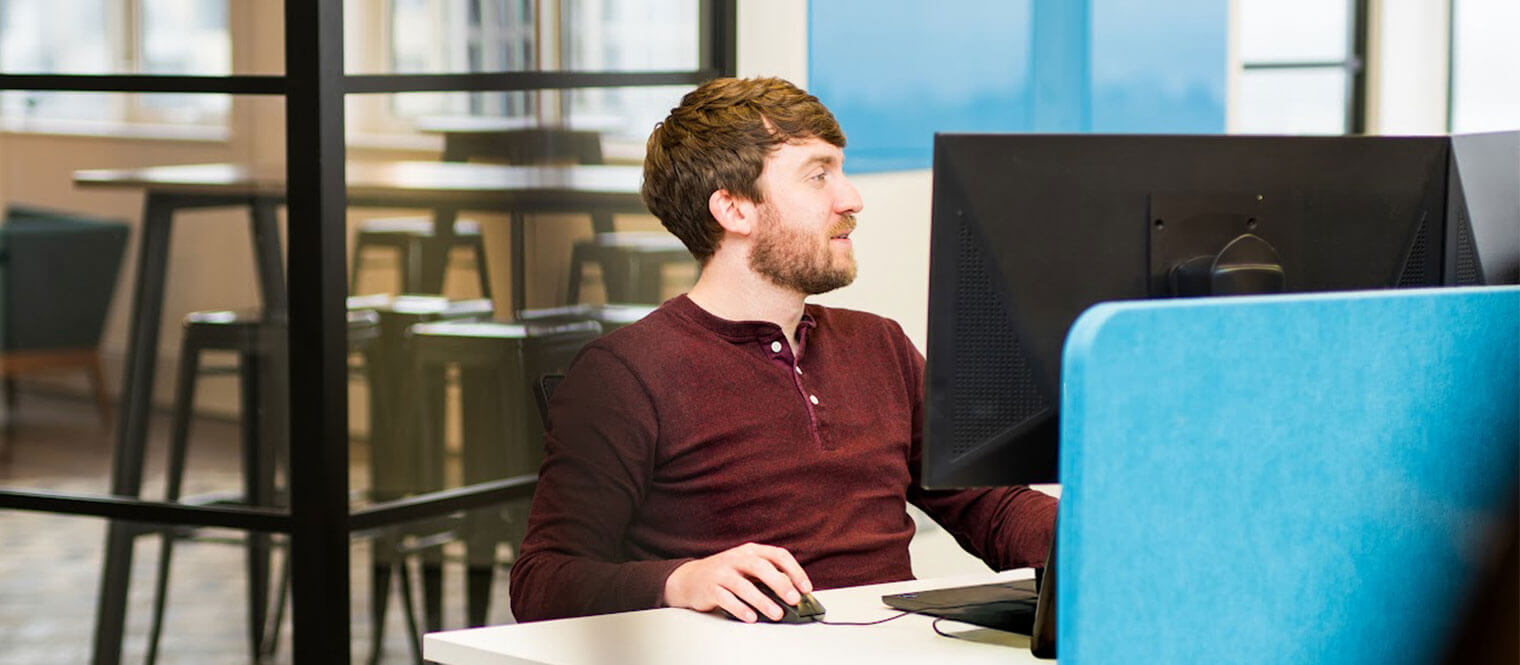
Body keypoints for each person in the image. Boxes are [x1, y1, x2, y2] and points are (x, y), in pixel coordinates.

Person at [508, 76, 1057, 623]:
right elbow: (544, 579)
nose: (852, 198)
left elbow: (991, 508)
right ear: (735, 210)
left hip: (895, 649)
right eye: (819, 175)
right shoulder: (627, 373)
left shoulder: (879, 344)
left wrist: (1103, 531)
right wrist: (680, 580)